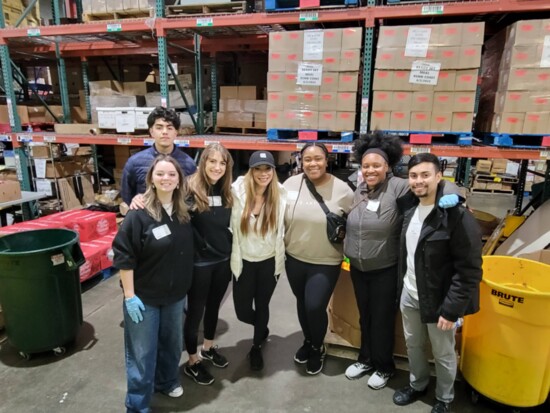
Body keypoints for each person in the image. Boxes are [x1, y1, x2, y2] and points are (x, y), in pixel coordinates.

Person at [343, 133, 461, 390]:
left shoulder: (397, 186)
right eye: (366, 166)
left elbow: (432, 186)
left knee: (383, 319)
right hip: (358, 268)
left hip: (385, 268)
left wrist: (454, 194)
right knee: (366, 317)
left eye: (376, 165)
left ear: (387, 166)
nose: (371, 170)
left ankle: (384, 366)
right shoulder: (360, 188)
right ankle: (366, 359)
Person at [392, 153, 482, 413]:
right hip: (410, 293)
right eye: (413, 175)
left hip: (440, 300)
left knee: (443, 353)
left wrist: (452, 309)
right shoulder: (408, 208)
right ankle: (417, 383)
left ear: (439, 176)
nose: (419, 181)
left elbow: (469, 269)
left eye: (425, 175)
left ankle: (444, 398)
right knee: (413, 345)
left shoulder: (456, 216)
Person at [112, 154, 194, 413]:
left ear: (180, 180)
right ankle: (137, 404)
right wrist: (129, 296)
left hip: (174, 296)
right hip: (144, 298)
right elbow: (124, 256)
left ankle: (167, 381)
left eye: (172, 174)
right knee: (142, 354)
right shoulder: (139, 215)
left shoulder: (183, 212)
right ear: (151, 179)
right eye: (160, 174)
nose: (166, 178)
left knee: (171, 345)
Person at [283, 142, 354, 375]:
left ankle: (317, 346)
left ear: (327, 160)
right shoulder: (290, 184)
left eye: (318, 159)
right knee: (302, 304)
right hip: (293, 257)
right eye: (307, 159)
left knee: (315, 306)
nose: (312, 163)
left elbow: (356, 222)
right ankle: (308, 340)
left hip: (325, 260)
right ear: (300, 161)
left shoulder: (343, 190)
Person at [183, 143, 234, 386]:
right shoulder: (189, 189)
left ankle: (209, 347)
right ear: (203, 163)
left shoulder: (226, 191)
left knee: (214, 307)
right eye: (212, 161)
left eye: (222, 162)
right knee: (195, 312)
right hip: (199, 263)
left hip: (222, 261)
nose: (217, 167)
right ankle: (193, 360)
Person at [230, 150, 286, 371]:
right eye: (258, 169)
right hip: (243, 261)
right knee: (242, 311)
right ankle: (261, 328)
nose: (263, 174)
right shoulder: (236, 193)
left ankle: (256, 346)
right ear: (250, 171)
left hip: (269, 262)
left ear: (273, 170)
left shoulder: (281, 196)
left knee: (262, 305)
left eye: (268, 169)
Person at [121, 106, 196, 208]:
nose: (164, 132)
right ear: (151, 131)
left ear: (176, 132)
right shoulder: (135, 163)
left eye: (169, 128)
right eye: (159, 127)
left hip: (177, 219)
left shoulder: (188, 164)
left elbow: (191, 197)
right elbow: (127, 196)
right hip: (147, 220)